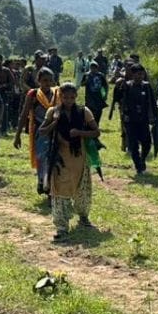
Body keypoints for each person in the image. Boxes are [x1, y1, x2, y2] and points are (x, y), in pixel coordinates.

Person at [39, 83, 100, 241]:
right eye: (65, 97)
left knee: (82, 189)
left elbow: (96, 131)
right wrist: (55, 123)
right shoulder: (53, 112)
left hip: (79, 157)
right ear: (60, 96)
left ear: (76, 97)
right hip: (59, 159)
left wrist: (80, 132)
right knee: (59, 191)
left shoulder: (83, 111)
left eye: (72, 97)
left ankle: (83, 217)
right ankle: (61, 227)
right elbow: (42, 131)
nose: (68, 100)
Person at [14, 67, 61, 196]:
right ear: (38, 81)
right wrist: (17, 135)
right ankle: (43, 182)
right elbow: (24, 115)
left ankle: (50, 186)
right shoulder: (33, 95)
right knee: (43, 158)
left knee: (55, 158)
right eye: (44, 80)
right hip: (40, 131)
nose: (47, 83)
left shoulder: (57, 94)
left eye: (50, 81)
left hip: (56, 131)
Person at [118, 64, 156, 174]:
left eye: (142, 74)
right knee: (133, 145)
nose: (140, 76)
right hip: (130, 120)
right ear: (132, 74)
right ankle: (138, 165)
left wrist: (155, 116)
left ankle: (142, 159)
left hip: (143, 119)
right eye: (138, 74)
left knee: (147, 143)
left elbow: (152, 102)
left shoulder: (146, 86)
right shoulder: (127, 86)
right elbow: (121, 101)